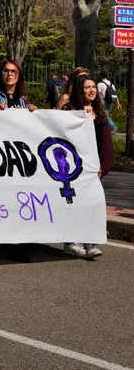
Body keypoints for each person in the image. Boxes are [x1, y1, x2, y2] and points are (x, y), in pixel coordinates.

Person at [61, 75, 113, 260]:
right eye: (86, 87)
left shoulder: (100, 112)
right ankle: (71, 242)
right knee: (75, 205)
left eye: (93, 87)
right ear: (79, 91)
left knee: (92, 205)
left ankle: (90, 242)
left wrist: (104, 167)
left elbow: (106, 143)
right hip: (74, 169)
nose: (91, 90)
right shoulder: (70, 110)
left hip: (94, 170)